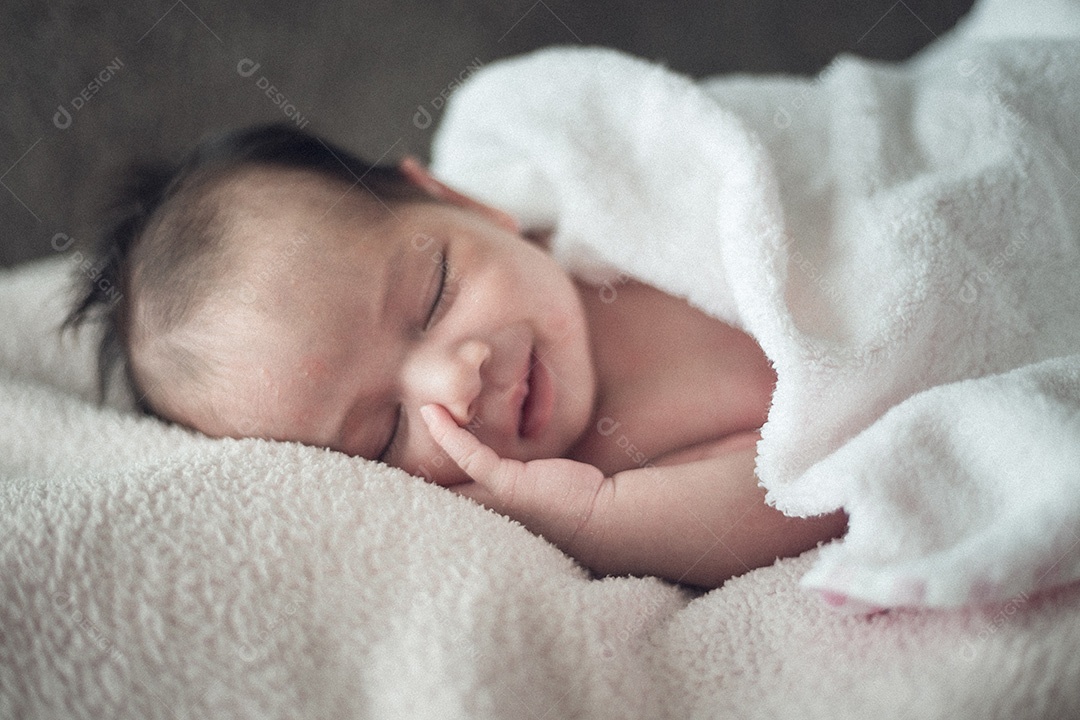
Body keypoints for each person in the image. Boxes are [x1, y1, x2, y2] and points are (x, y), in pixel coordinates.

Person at [65, 124, 846, 589]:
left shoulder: (603, 202)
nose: (454, 380)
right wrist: (596, 519)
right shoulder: (593, 481)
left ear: (463, 203)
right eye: (382, 435)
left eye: (435, 292)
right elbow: (805, 493)